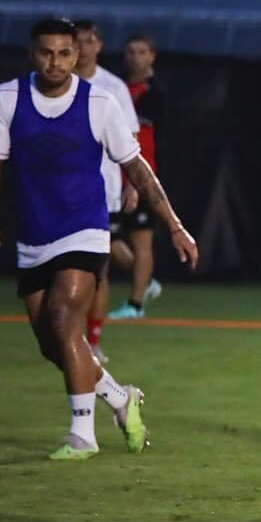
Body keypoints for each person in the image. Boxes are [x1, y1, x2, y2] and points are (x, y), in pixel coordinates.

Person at [0, 17, 198, 458]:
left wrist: (174, 225)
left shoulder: (100, 101)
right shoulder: (7, 97)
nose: (55, 62)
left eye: (64, 53)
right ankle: (120, 397)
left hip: (86, 228)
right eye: (46, 53)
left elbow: (138, 168)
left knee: (64, 321)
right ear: (32, 54)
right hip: (34, 234)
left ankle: (82, 435)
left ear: (77, 55)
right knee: (51, 344)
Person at [72, 19, 141, 359]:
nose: (83, 48)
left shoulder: (113, 87)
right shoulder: (53, 85)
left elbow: (130, 140)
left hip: (102, 192)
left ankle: (93, 342)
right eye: (77, 41)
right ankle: (68, 336)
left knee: (98, 271)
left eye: (89, 41)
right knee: (60, 271)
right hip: (59, 192)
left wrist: (132, 184)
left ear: (98, 45)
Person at [108, 33, 167, 319]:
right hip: (111, 175)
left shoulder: (153, 93)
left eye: (142, 52)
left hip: (140, 175)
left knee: (141, 239)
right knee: (106, 237)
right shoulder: (116, 87)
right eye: (131, 51)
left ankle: (135, 305)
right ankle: (146, 281)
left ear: (152, 56)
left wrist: (137, 180)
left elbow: (145, 140)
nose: (135, 57)